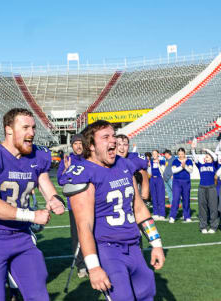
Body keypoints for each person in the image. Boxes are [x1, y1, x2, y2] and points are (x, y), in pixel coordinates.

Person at [0, 108, 65, 301]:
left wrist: (56, 200)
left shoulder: (37, 156)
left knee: (39, 294)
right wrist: (32, 216)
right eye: (26, 127)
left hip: (21, 237)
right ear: (9, 130)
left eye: (34, 127)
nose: (32, 133)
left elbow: (46, 186)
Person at [63, 120, 165, 300]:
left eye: (113, 136)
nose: (114, 142)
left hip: (134, 247)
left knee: (147, 295)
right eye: (106, 137)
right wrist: (93, 266)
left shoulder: (124, 165)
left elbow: (139, 209)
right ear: (91, 145)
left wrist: (156, 243)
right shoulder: (85, 172)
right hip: (108, 250)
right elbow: (83, 226)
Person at [56, 133, 87, 277]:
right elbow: (61, 181)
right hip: (74, 205)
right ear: (72, 145)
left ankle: (95, 262)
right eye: (75, 143)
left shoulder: (89, 158)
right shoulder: (67, 160)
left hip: (91, 203)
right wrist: (66, 168)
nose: (78, 146)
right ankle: (81, 265)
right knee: (77, 236)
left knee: (94, 233)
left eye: (80, 143)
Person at [115, 135, 149, 200]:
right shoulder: (108, 159)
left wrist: (143, 198)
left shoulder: (136, 159)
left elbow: (144, 175)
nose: (122, 148)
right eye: (119, 144)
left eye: (125, 145)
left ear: (128, 146)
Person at [169, 148, 194, 223]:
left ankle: (187, 216)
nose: (180, 155)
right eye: (179, 154)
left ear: (184, 153)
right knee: (175, 199)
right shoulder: (175, 161)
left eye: (182, 154)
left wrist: (185, 166)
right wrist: (181, 167)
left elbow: (191, 170)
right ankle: (172, 216)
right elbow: (173, 170)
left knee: (186, 199)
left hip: (186, 182)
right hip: (176, 182)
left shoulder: (189, 161)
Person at [149, 149, 166, 220]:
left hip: (159, 179)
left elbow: (163, 169)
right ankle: (155, 213)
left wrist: (159, 163)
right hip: (152, 179)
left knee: (160, 196)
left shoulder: (162, 161)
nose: (154, 155)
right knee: (154, 196)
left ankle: (162, 214)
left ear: (158, 154)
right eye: (153, 153)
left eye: (155, 153)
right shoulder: (150, 162)